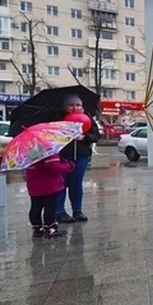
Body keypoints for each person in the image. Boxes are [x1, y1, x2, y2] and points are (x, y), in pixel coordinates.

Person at [57, 94, 100, 223]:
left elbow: (96, 135)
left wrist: (85, 137)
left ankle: (77, 210)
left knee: (76, 184)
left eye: (78, 105)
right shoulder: (58, 119)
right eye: (71, 105)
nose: (75, 108)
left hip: (81, 156)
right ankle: (60, 211)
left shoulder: (87, 119)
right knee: (61, 184)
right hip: (62, 156)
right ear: (65, 107)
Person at [26, 154, 74, 238]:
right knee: (50, 207)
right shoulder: (49, 152)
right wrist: (68, 165)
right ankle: (50, 227)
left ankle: (37, 227)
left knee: (35, 207)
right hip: (50, 186)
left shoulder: (30, 153)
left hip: (34, 186)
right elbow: (54, 168)